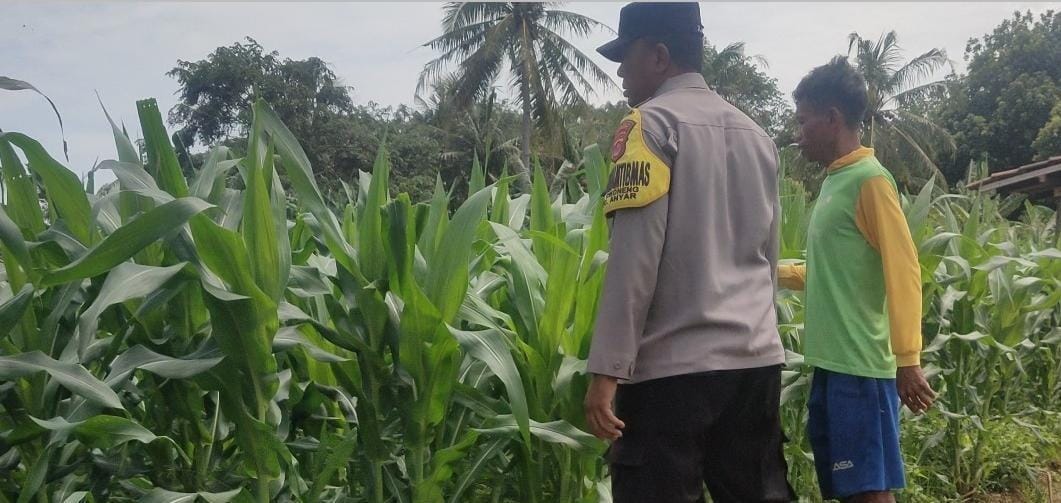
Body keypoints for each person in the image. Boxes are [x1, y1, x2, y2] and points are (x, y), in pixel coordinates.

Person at [584, 3, 794, 502]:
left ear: (659, 56)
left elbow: (634, 260)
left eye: (626, 55)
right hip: (755, 365)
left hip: (672, 374)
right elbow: (767, 255)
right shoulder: (757, 135)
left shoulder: (649, 125)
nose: (620, 70)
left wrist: (606, 369)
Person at [779, 56, 937, 502]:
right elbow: (831, 273)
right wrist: (768, 271)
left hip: (861, 369)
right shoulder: (834, 183)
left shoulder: (871, 181)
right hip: (831, 366)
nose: (797, 134)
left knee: (868, 493)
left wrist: (908, 359)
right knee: (851, 492)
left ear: (832, 119)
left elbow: (903, 269)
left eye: (803, 121)